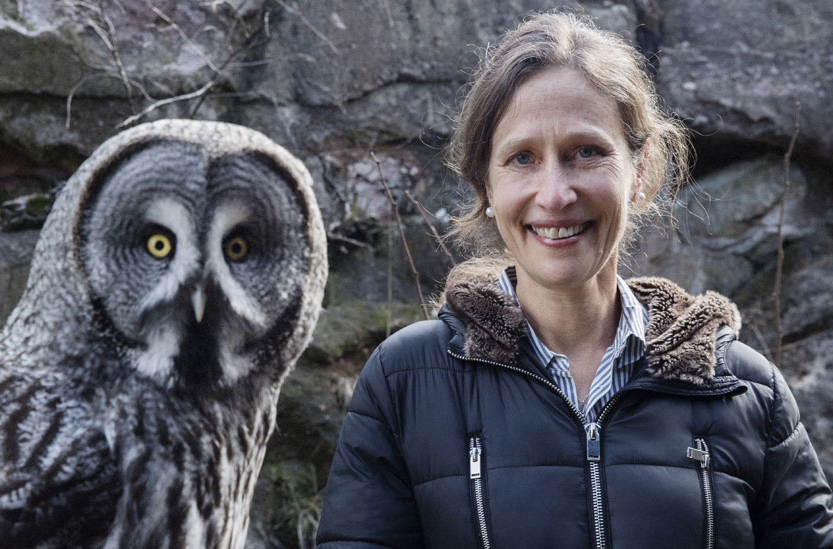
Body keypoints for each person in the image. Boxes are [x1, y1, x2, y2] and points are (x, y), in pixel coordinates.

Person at [315, 11, 832, 549]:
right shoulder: (404, 383)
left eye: (586, 152)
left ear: (640, 171)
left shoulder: (749, 392)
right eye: (522, 158)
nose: (555, 194)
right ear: (486, 185)